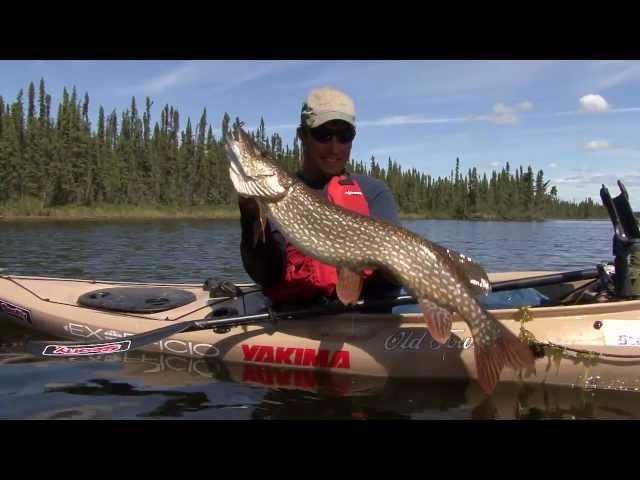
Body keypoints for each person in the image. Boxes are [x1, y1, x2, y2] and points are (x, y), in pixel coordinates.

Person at [238, 87, 402, 309]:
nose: (334, 147)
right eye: (323, 135)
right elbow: (266, 275)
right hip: (295, 324)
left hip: (367, 324)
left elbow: (394, 281)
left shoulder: (374, 192)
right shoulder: (281, 196)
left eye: (344, 136)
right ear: (302, 136)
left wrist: (385, 264)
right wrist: (250, 217)